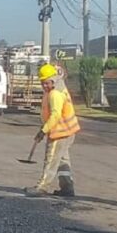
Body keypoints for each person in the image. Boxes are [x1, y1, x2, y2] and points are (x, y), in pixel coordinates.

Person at [25, 63, 80, 197]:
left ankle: (42, 187)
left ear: (53, 80)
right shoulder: (57, 87)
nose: (44, 85)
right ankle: (67, 187)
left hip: (59, 132)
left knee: (50, 159)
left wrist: (43, 131)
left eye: (46, 83)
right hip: (67, 131)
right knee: (62, 160)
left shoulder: (55, 93)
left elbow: (55, 115)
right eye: (42, 83)